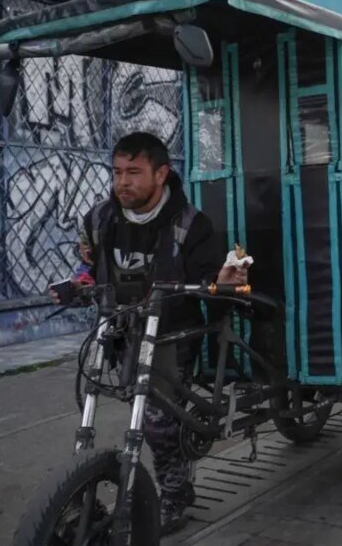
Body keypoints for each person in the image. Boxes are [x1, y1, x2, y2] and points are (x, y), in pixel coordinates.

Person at [52, 132, 245, 535]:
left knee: (157, 422)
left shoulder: (191, 225)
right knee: (93, 403)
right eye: (117, 172)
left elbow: (209, 279)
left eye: (134, 173)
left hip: (172, 333)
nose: (122, 182)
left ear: (161, 174)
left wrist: (221, 281)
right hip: (119, 329)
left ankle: (174, 495)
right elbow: (91, 260)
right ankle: (75, 493)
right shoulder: (100, 218)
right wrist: (80, 281)